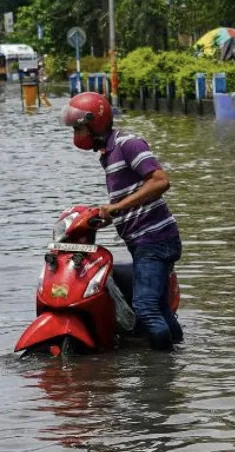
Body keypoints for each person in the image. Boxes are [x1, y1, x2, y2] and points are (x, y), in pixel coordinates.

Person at [60, 91, 184, 350]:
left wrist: (116, 207)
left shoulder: (128, 143)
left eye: (79, 128)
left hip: (155, 239)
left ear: (95, 123)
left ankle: (162, 373)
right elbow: (131, 197)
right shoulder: (108, 153)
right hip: (144, 241)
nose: (76, 135)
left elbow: (161, 181)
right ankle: (178, 350)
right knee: (160, 307)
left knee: (146, 308)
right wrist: (106, 216)